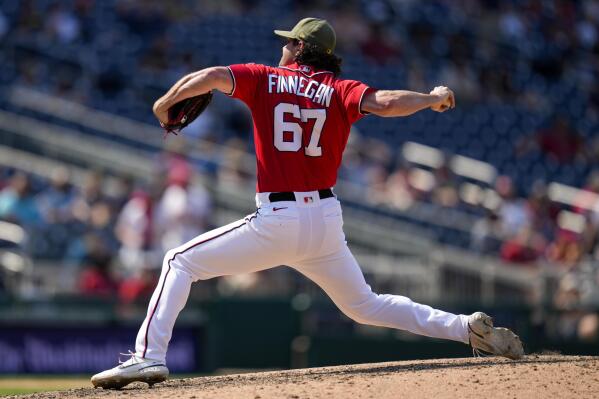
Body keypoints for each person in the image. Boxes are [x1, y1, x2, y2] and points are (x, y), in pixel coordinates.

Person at [92, 18, 523, 389]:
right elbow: (387, 102)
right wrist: (431, 98)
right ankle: (466, 328)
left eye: (288, 41)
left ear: (300, 48)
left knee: (178, 261)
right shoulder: (340, 88)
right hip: (325, 220)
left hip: (279, 218)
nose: (282, 46)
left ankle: (148, 355)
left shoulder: (263, 77)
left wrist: (164, 103)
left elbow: (208, 75)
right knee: (365, 306)